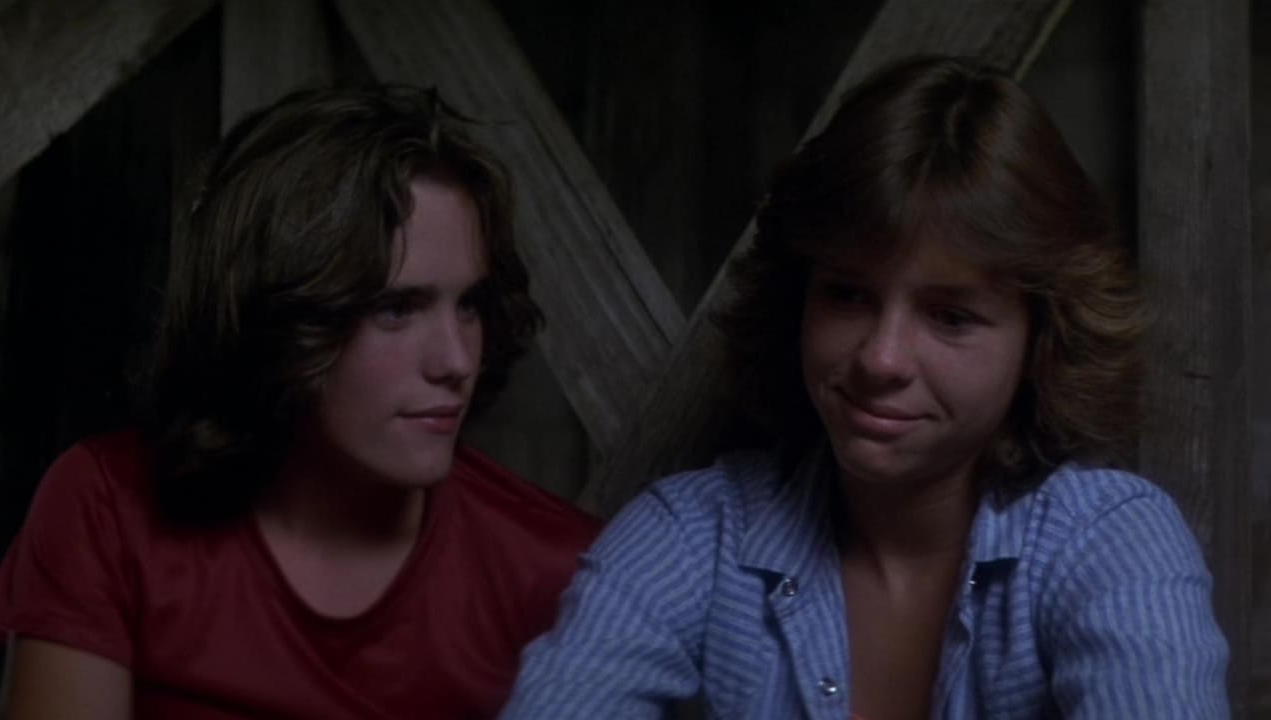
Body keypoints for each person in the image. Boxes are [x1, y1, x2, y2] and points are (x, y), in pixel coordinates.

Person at [500, 55, 1229, 719]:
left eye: (950, 317)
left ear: (1044, 337)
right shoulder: (692, 535)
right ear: (798, 297)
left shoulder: (1109, 542)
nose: (881, 359)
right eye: (848, 295)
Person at [0, 86, 600, 719]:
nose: (456, 360)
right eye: (397, 309)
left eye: (469, 304)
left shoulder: (563, 573)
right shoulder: (108, 505)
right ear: (276, 317)